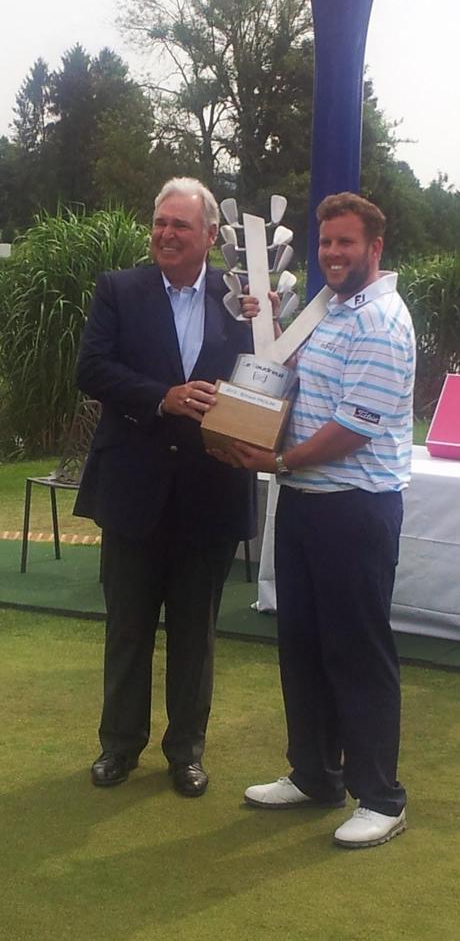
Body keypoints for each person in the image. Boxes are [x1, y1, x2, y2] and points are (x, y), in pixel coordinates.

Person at [223, 192, 416, 848]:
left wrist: (279, 459)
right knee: (302, 643)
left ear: (374, 249)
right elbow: (287, 372)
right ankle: (315, 774)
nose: (333, 253)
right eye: (326, 242)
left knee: (355, 652)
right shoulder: (331, 311)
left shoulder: (383, 320)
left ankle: (381, 796)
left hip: (355, 507)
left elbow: (352, 429)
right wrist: (269, 326)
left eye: (346, 243)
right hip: (304, 500)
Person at [74, 177, 256, 796]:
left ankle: (186, 752)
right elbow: (92, 368)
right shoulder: (119, 290)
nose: (166, 234)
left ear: (210, 235)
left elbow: (264, 377)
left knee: (194, 636)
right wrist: (163, 398)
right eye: (160, 222)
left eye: (180, 225)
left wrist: (268, 329)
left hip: (210, 492)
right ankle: (119, 747)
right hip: (133, 491)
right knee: (127, 627)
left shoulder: (240, 305)